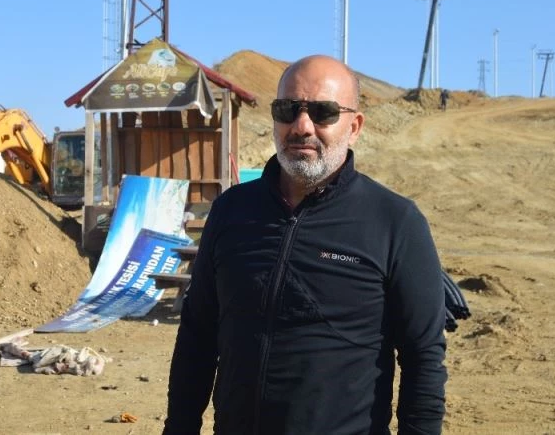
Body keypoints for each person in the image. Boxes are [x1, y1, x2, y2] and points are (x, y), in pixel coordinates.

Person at [163, 55, 447, 434]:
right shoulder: (231, 211)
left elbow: (423, 357)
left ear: (354, 126)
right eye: (287, 109)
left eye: (323, 112)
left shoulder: (395, 222)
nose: (301, 126)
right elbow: (197, 335)